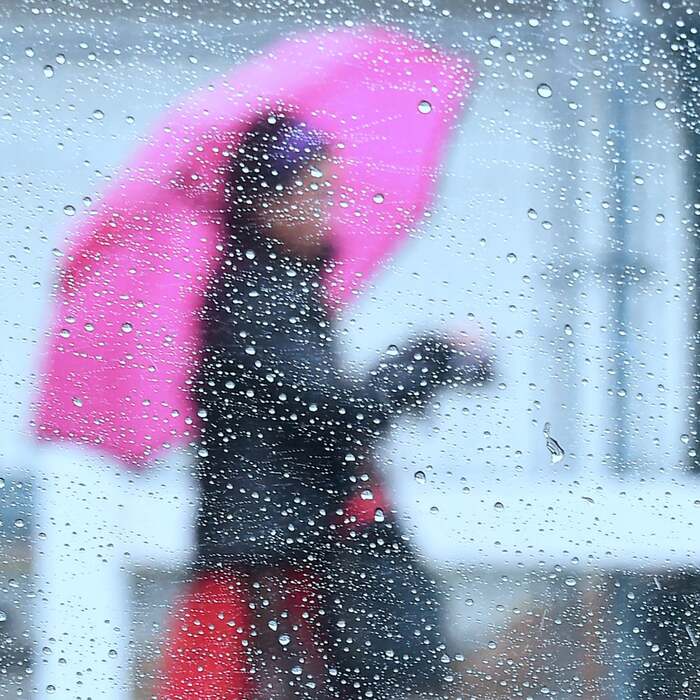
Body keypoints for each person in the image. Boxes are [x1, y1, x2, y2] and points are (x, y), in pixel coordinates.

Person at [156, 113, 490, 699]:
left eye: (328, 190)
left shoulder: (281, 288)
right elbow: (339, 410)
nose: (325, 207)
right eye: (309, 191)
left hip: (292, 554)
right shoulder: (258, 296)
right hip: (272, 565)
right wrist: (431, 354)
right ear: (264, 203)